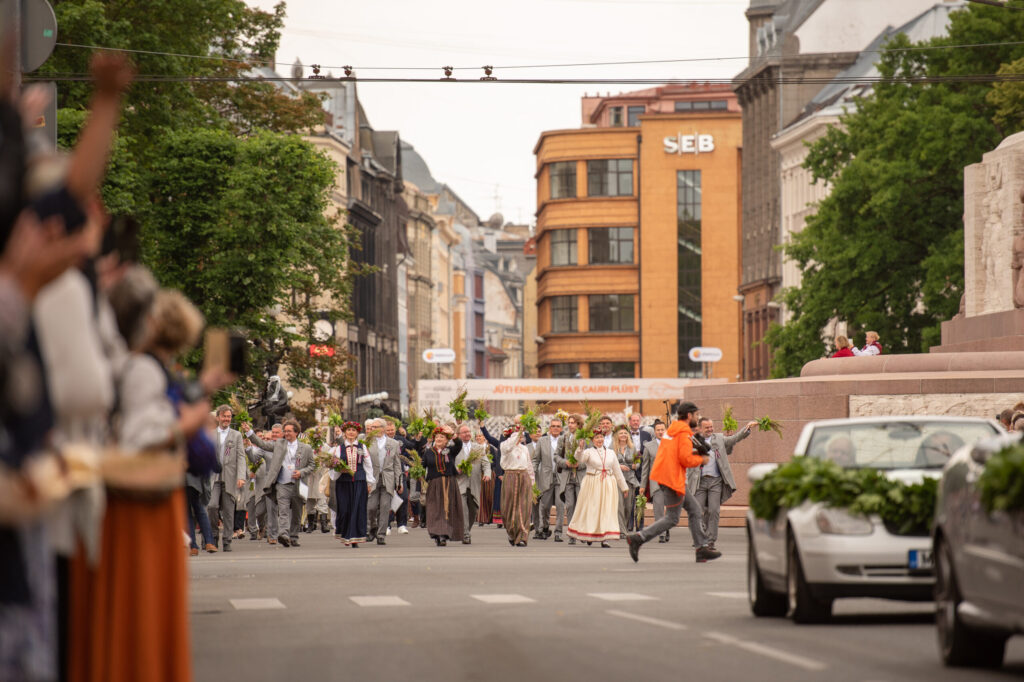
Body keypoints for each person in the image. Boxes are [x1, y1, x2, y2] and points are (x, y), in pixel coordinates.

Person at [626, 401, 721, 563]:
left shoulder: (674, 430)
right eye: (696, 415)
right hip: (672, 479)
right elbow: (684, 458)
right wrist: (701, 459)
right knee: (673, 518)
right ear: (689, 415)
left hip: (667, 477)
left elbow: (678, 452)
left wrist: (695, 442)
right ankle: (638, 538)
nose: (697, 419)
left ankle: (701, 548)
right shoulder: (682, 433)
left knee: (694, 510)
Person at [245, 419, 315, 548]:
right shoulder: (279, 444)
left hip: (299, 484)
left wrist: (301, 472)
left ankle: (294, 536)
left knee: (296, 512)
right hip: (282, 483)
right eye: (285, 431)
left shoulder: (306, 448)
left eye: (289, 431)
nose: (286, 433)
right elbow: (262, 444)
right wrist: (249, 432)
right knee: (283, 511)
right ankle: (284, 534)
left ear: (296, 432)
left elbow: (312, 465)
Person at [694, 417, 757, 551]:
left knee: (714, 511)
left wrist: (747, 428)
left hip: (716, 481)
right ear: (700, 429)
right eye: (707, 427)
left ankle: (710, 541)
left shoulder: (719, 438)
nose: (710, 429)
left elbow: (734, 439)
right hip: (699, 482)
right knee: (699, 512)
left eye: (711, 426)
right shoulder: (693, 441)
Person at [567, 431, 629, 548]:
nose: (599, 440)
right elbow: (579, 459)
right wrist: (579, 448)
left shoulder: (611, 453)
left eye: (601, 437)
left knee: (607, 510)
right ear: (593, 440)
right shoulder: (588, 452)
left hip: (608, 483)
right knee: (593, 509)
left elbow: (617, 471)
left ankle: (605, 538)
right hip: (593, 483)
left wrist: (624, 487)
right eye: (597, 438)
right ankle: (590, 534)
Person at [325, 421, 373, 547]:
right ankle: (346, 534)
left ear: (357, 433)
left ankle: (354, 538)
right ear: (345, 432)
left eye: (354, 430)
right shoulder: (337, 449)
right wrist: (338, 469)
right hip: (343, 483)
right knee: (345, 509)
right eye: (349, 430)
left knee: (357, 509)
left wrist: (369, 482)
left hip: (359, 482)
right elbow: (331, 466)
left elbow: (368, 465)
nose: (351, 432)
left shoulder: (362, 447)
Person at [207, 404, 246, 552]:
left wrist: (241, 476)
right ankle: (213, 536)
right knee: (212, 506)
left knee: (229, 511)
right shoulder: (210, 434)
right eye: (224, 416)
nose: (226, 419)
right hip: (213, 476)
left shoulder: (236, 435)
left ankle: (227, 540)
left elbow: (241, 457)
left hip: (230, 476)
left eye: (229, 416)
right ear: (218, 417)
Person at [421, 423, 464, 546]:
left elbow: (459, 444)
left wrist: (453, 434)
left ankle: (445, 534)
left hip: (450, 483)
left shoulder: (450, 451)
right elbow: (422, 466)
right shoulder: (428, 452)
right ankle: (438, 534)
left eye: (442, 437)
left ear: (447, 440)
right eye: (437, 437)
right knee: (435, 509)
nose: (439, 439)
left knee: (447, 508)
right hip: (434, 484)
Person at [366, 418, 403, 545]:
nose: (373, 429)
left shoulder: (393, 443)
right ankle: (372, 528)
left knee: (385, 507)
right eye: (372, 427)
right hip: (373, 478)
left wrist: (399, 482)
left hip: (388, 477)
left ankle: (381, 535)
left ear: (383, 428)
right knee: (370, 507)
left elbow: (397, 464)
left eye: (375, 427)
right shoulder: (368, 442)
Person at [454, 424, 491, 544]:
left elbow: (486, 463)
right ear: (459, 435)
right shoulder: (454, 448)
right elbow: (450, 464)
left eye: (468, 431)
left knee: (474, 509)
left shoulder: (478, 448)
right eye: (464, 432)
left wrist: (487, 473)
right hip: (460, 482)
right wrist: (456, 470)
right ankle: (466, 534)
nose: (467, 434)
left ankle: (466, 530)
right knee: (463, 509)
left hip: (475, 483)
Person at [499, 426, 535, 546]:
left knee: (524, 507)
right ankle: (511, 531)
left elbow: (528, 465)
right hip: (510, 476)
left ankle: (522, 536)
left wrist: (532, 482)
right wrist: (517, 432)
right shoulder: (504, 445)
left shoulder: (524, 448)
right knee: (508, 507)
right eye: (518, 435)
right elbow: (508, 447)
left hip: (523, 476)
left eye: (521, 435)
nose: (520, 437)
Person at [553, 414, 584, 544]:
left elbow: (591, 458)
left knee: (582, 506)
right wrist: (565, 462)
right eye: (569, 422)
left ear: (578, 424)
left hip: (581, 476)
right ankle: (572, 534)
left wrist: (579, 464)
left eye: (573, 422)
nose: (570, 425)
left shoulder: (585, 439)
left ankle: (582, 532)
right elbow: (556, 456)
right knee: (570, 506)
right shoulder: (563, 438)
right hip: (567, 476)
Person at [640, 420, 669, 543]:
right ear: (654, 431)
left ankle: (666, 528)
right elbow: (645, 468)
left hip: (670, 481)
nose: (660, 432)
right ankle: (661, 533)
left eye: (662, 430)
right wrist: (642, 485)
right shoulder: (649, 446)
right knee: (658, 508)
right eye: (658, 430)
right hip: (656, 482)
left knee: (670, 509)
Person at [531, 419, 559, 540]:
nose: (556, 428)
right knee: (545, 505)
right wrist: (532, 472)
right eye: (553, 426)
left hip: (560, 476)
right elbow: (536, 459)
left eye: (558, 426)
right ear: (549, 428)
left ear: (561, 428)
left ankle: (558, 532)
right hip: (546, 476)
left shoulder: (565, 440)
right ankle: (546, 526)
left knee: (560, 505)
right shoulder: (542, 441)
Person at [613, 424, 639, 536]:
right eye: (621, 433)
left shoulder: (633, 448)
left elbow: (638, 462)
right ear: (617, 436)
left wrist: (635, 466)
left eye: (625, 433)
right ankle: (621, 530)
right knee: (619, 505)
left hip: (630, 480)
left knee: (628, 506)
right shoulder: (611, 448)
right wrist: (619, 466)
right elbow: (609, 463)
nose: (623, 435)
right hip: (617, 480)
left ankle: (626, 526)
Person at [475, 431, 497, 526]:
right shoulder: (474, 448)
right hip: (478, 474)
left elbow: (495, 461)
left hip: (489, 473)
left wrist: (487, 465)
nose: (478, 437)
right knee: (480, 495)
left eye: (480, 436)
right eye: (477, 436)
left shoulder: (490, 448)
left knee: (489, 495)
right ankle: (481, 518)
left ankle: (490, 517)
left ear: (484, 437)